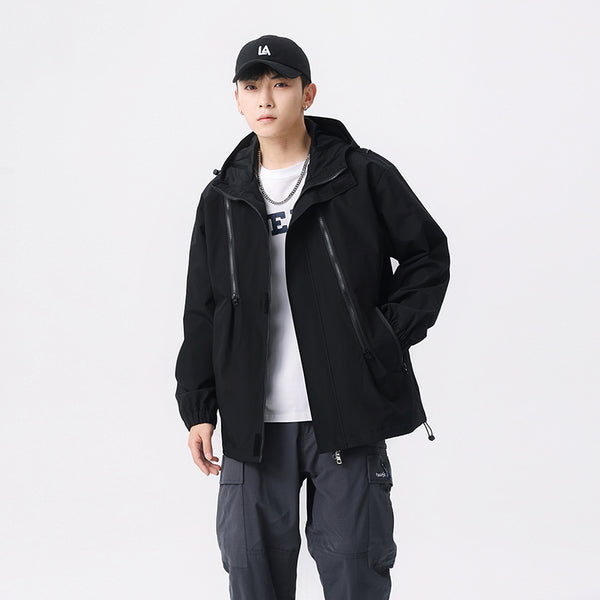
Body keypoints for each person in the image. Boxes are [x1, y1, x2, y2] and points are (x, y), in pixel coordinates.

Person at [174, 33, 450, 600]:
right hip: (252, 429)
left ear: (308, 94)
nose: (266, 98)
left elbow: (427, 255)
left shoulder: (361, 176)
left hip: (345, 417)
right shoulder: (221, 199)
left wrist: (381, 335)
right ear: (237, 99)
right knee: (253, 578)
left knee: (355, 576)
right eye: (252, 86)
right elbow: (202, 310)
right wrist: (199, 408)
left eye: (281, 84)